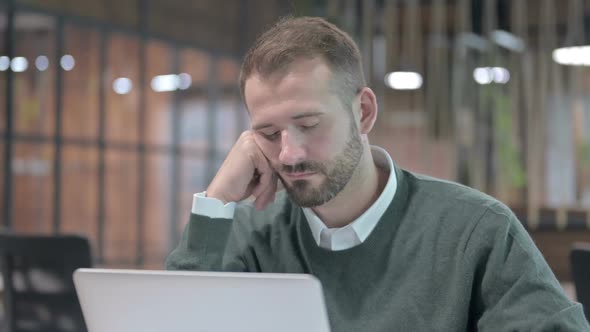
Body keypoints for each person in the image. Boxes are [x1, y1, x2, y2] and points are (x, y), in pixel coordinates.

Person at [166, 16, 590, 331]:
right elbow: (174, 323)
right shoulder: (249, 233)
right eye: (268, 133)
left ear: (364, 112)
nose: (289, 153)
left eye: (309, 125)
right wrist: (218, 197)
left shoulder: (475, 228)